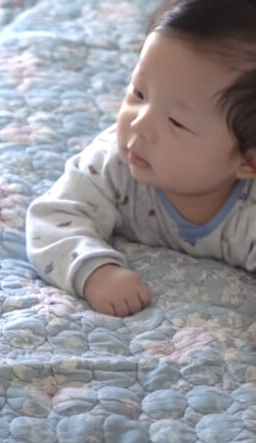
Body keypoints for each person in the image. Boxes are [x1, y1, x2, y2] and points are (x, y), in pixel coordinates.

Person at [25, 0, 256, 317]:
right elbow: (53, 218)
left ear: (248, 162)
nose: (138, 124)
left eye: (176, 122)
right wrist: (95, 272)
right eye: (139, 93)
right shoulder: (113, 163)